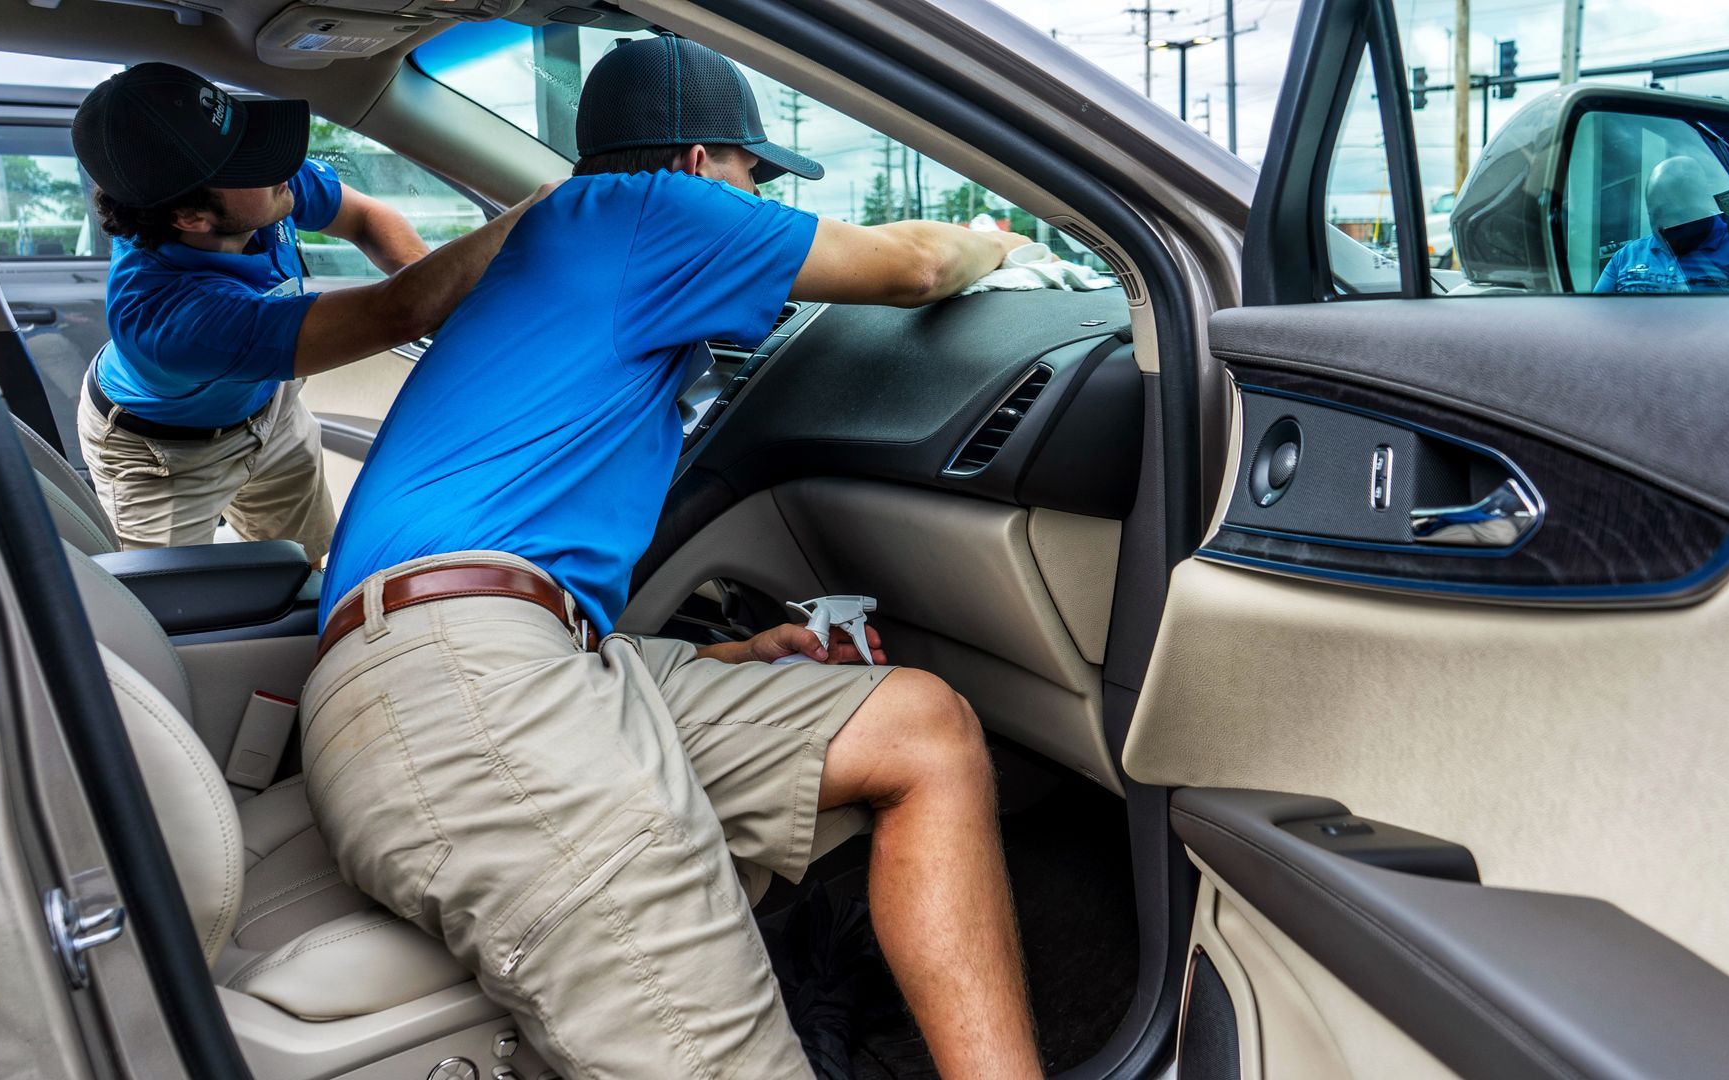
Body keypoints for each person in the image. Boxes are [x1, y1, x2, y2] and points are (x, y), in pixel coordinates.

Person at [304, 35, 1042, 1080]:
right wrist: (997, 241)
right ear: (701, 165)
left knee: (920, 730)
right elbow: (916, 268)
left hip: (491, 661)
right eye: (755, 177)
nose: (760, 204)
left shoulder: (555, 244)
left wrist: (720, 668)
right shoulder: (653, 212)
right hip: (465, 684)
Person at [71, 63, 555, 561]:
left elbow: (368, 218)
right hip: (161, 455)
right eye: (250, 162)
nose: (281, 166)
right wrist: (543, 206)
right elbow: (398, 312)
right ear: (191, 217)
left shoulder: (252, 191)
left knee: (309, 566)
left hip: (267, 409)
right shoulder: (169, 318)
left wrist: (455, 312)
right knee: (177, 614)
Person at [1594, 155, 1729, 294]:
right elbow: (1596, 319)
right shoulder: (1626, 256)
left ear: (1702, 205)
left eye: (1677, 214)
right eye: (1655, 214)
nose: (1664, 226)